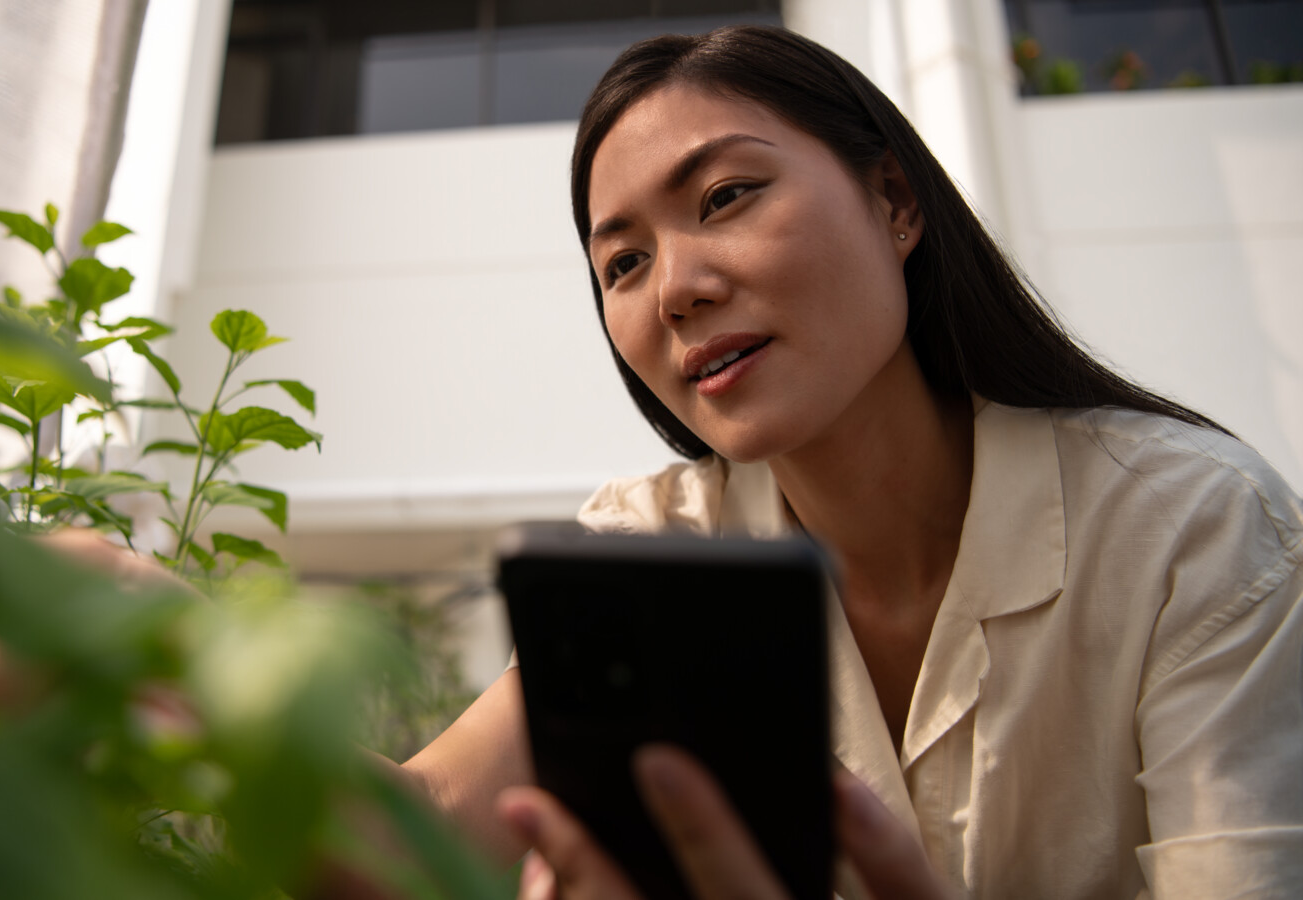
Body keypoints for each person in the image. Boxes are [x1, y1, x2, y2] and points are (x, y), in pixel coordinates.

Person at [385, 24, 1303, 899]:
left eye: (725, 197)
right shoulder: (651, 551)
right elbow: (418, 829)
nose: (674, 291)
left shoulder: (1195, 526)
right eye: (623, 263)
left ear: (896, 202)